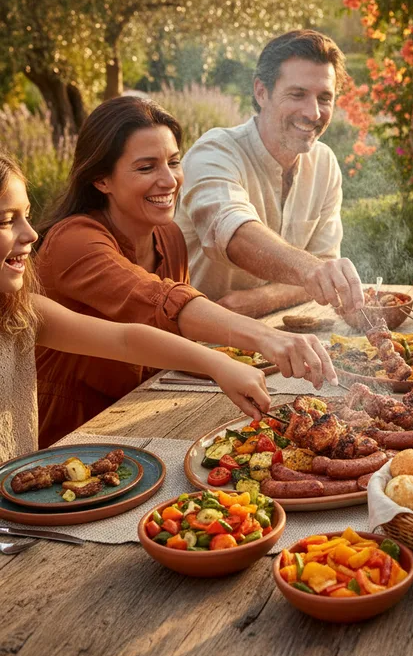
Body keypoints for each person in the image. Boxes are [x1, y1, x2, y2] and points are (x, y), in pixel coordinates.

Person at [34, 97, 336, 448]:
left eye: (174, 162)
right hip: (70, 442)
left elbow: (175, 337)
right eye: (146, 168)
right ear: (102, 179)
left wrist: (233, 359)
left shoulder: (169, 236)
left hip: (144, 423)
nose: (169, 180)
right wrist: (264, 338)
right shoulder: (73, 242)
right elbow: (157, 301)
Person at [0, 152, 271, 463]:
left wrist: (218, 364)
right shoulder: (74, 241)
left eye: (27, 216)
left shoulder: (22, 314)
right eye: (8, 221)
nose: (31, 234)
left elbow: (125, 340)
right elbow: (151, 300)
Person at [175, 30, 364, 318]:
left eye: (324, 98)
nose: (313, 113)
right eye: (297, 94)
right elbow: (234, 235)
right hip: (197, 340)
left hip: (278, 339)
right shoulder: (214, 152)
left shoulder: (324, 163)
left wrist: (264, 298)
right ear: (261, 92)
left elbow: (324, 265)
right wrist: (310, 270)